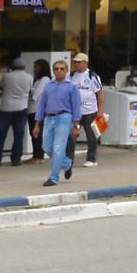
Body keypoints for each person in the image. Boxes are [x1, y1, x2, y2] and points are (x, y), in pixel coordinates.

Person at [34, 57, 83, 186]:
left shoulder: (72, 86)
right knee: (46, 147)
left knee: (58, 148)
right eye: (56, 69)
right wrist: (37, 124)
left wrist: (77, 125)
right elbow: (42, 105)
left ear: (66, 71)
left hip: (64, 117)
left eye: (62, 69)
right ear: (53, 71)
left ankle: (53, 177)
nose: (59, 71)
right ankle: (67, 163)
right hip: (49, 118)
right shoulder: (49, 85)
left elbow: (76, 106)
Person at [0, 56, 34, 167]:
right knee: (19, 133)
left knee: (1, 133)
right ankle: (16, 159)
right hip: (22, 107)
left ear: (13, 67)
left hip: (6, 108)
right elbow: (31, 92)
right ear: (23, 67)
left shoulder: (7, 76)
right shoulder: (29, 77)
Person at [71, 51, 105, 167]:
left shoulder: (92, 76)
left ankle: (92, 158)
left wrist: (100, 110)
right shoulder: (72, 76)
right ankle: (69, 159)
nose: (76, 65)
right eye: (75, 62)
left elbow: (100, 94)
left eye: (79, 62)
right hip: (76, 111)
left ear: (85, 63)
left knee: (91, 135)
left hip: (90, 111)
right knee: (72, 135)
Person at [28, 60, 51, 161]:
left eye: (37, 67)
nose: (34, 69)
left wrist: (29, 88)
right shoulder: (35, 79)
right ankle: (35, 154)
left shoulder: (45, 79)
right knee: (32, 132)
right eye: (34, 67)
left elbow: (36, 94)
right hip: (30, 109)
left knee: (37, 132)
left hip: (38, 110)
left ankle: (39, 155)